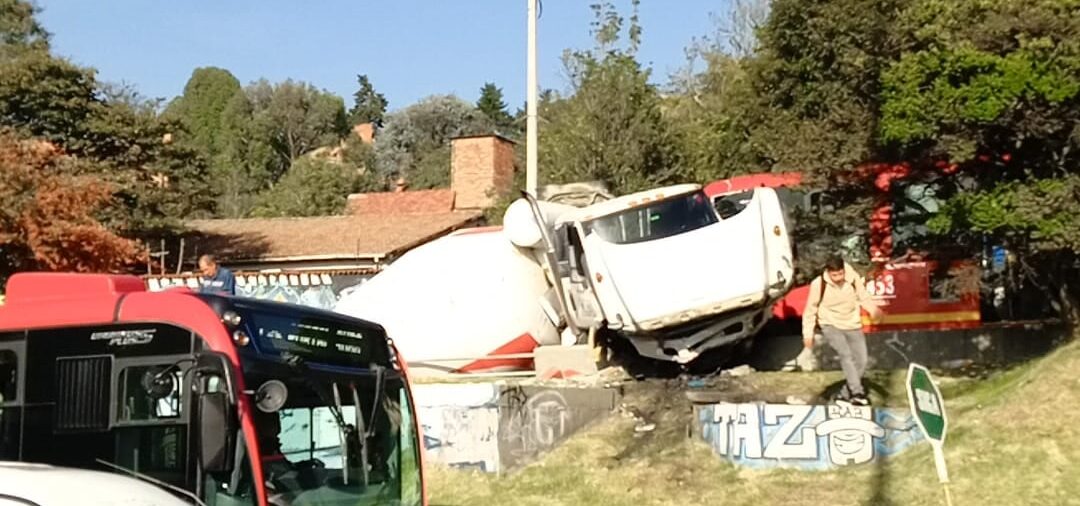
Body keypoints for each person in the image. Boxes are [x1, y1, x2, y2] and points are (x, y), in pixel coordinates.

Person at [802, 254, 882, 405]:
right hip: (830, 324)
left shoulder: (853, 278)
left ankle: (844, 395)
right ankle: (858, 393)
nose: (838, 277)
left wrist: (873, 310)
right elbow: (810, 310)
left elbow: (863, 297)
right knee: (846, 355)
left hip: (852, 323)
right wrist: (808, 333)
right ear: (828, 272)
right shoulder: (819, 285)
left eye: (840, 274)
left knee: (862, 360)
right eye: (834, 275)